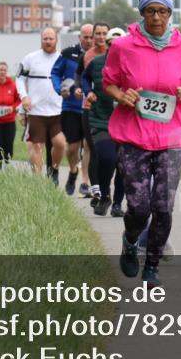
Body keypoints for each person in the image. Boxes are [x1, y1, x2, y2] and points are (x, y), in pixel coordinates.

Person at [103, 0, 181, 287]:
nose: (157, 17)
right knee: (139, 206)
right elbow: (109, 83)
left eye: (162, 11)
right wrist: (121, 96)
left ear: (171, 13)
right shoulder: (123, 47)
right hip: (133, 135)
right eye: (150, 11)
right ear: (142, 13)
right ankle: (131, 239)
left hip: (172, 137)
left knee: (163, 206)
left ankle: (152, 265)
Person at [82, 24, 123, 216]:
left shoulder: (131, 65)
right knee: (107, 158)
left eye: (118, 44)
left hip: (125, 122)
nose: (114, 46)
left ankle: (117, 204)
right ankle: (105, 194)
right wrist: (88, 91)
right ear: (106, 45)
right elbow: (83, 78)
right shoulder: (97, 63)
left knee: (123, 165)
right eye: (110, 43)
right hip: (100, 119)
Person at [17, 27, 66, 181]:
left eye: (51, 39)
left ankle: (54, 170)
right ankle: (37, 181)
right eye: (45, 39)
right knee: (36, 146)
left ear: (56, 40)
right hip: (36, 110)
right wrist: (24, 97)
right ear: (41, 40)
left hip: (57, 110)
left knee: (60, 143)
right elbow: (19, 79)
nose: (48, 41)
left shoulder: (62, 59)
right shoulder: (30, 58)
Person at [51, 24, 93, 195]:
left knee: (88, 145)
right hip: (71, 107)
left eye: (91, 37)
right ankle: (73, 171)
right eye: (86, 37)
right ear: (79, 37)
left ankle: (85, 181)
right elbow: (55, 73)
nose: (89, 40)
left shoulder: (100, 55)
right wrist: (60, 89)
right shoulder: (68, 53)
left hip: (91, 108)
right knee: (73, 148)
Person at [79, 23, 111, 202]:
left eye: (104, 33)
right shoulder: (88, 56)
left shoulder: (117, 55)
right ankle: (95, 187)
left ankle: (104, 186)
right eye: (97, 33)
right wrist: (85, 91)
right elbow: (81, 77)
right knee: (92, 148)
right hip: (90, 109)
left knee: (108, 152)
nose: (100, 37)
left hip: (111, 111)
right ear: (92, 36)